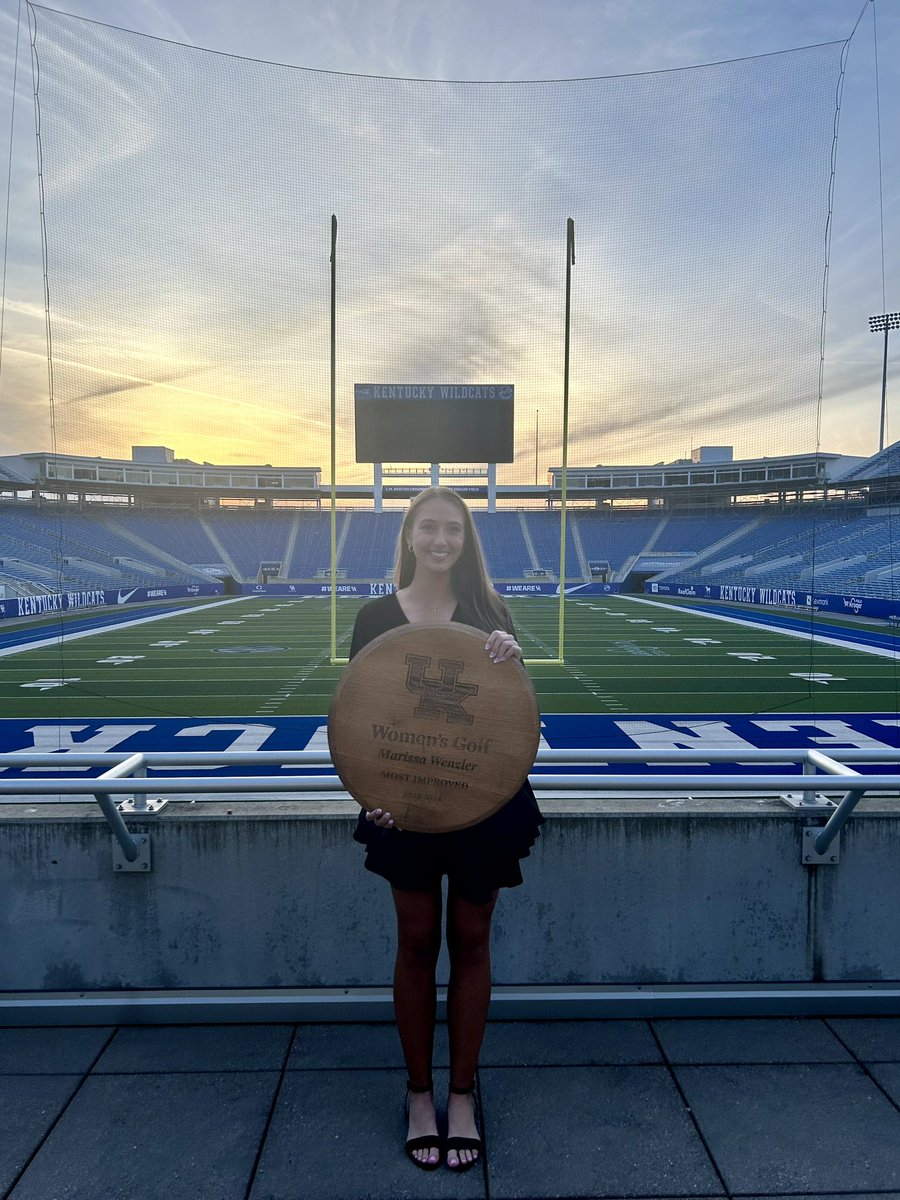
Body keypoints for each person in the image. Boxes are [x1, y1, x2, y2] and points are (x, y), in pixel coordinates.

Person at [348, 486, 544, 1172]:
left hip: (481, 802)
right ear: (408, 536)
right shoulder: (375, 616)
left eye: (451, 531)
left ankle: (461, 1094)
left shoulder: (490, 612)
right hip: (404, 802)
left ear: (465, 541)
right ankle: (419, 1095)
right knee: (416, 940)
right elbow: (362, 719)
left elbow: (515, 724)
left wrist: (511, 658)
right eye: (428, 528)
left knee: (471, 937)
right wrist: (369, 794)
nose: (439, 540)